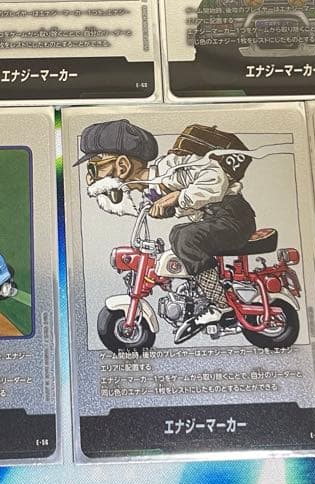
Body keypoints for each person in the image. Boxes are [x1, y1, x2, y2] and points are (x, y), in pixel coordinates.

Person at [75, 119, 256, 331]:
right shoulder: (151, 190)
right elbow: (184, 207)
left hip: (234, 217)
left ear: (123, 166)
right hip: (216, 220)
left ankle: (221, 305)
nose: (90, 179)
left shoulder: (171, 168)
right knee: (177, 237)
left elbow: (215, 177)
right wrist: (170, 207)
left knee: (184, 238)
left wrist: (179, 197)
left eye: (94, 168)